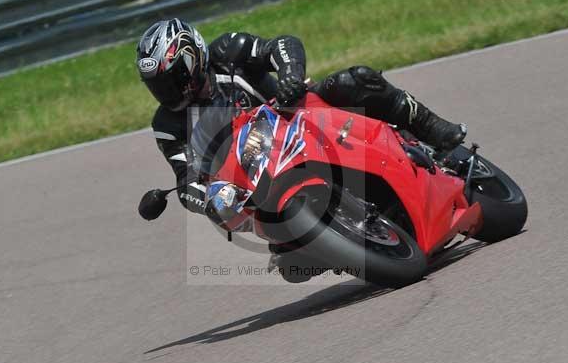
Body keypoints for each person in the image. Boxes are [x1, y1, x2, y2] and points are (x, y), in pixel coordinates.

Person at [137, 18, 466, 215]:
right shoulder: (166, 125)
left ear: (193, 57)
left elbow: (281, 45)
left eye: (173, 78)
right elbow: (185, 177)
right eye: (158, 86)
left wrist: (290, 75)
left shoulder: (228, 51)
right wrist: (207, 199)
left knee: (355, 80)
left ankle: (429, 127)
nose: (168, 91)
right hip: (257, 175)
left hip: (298, 116)